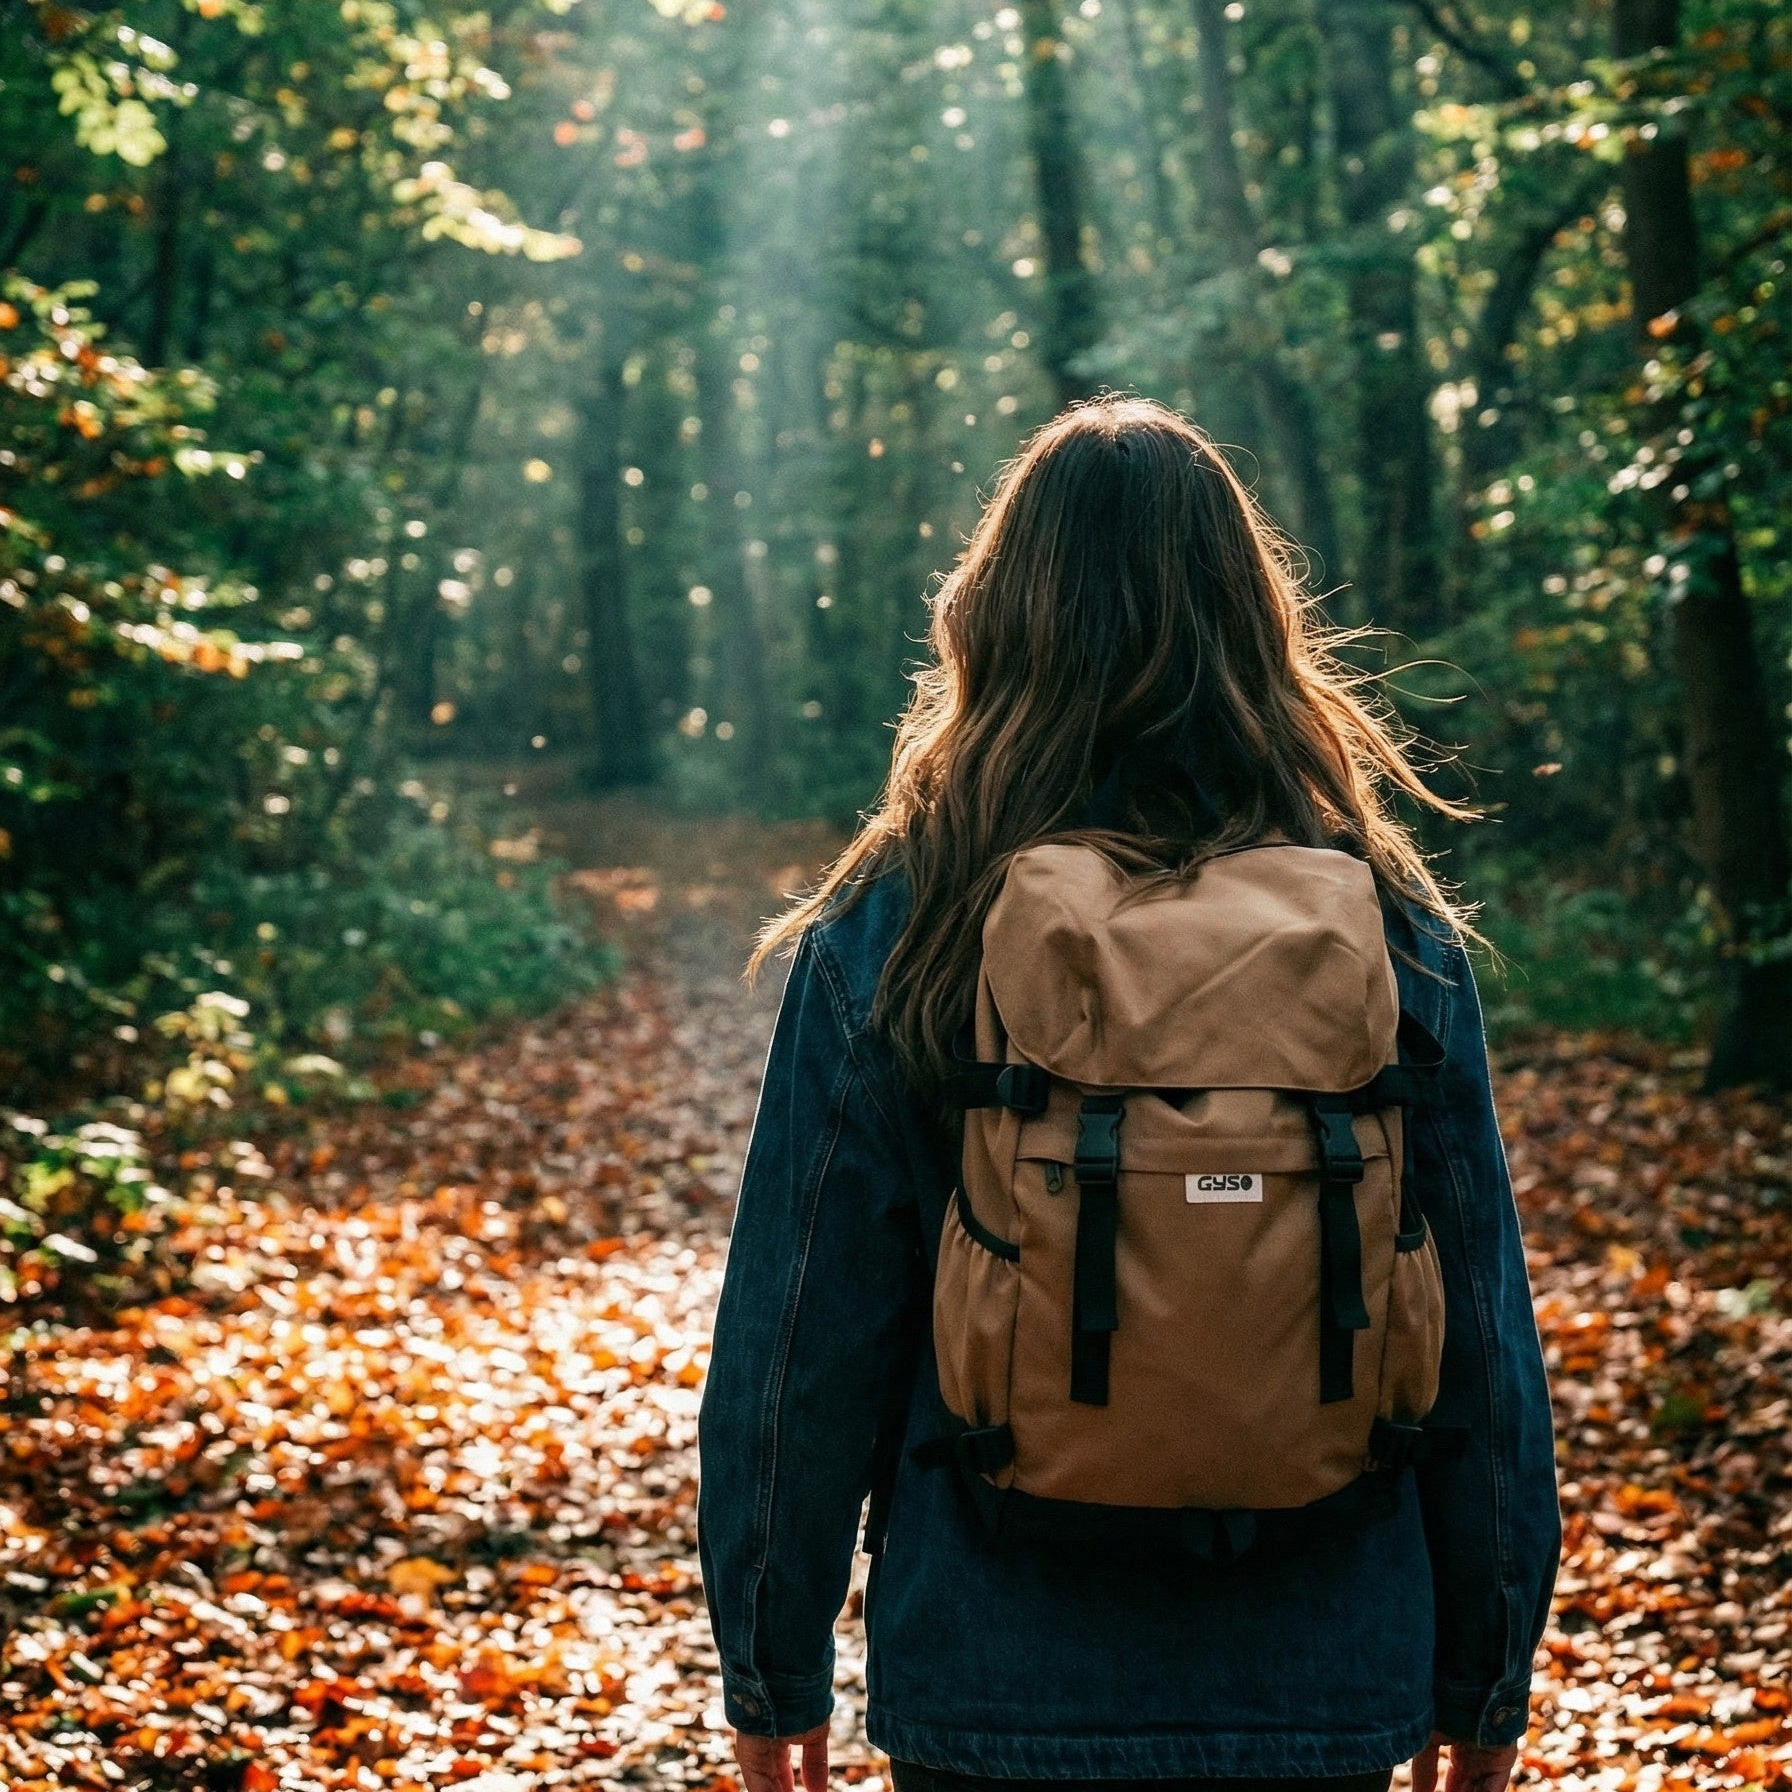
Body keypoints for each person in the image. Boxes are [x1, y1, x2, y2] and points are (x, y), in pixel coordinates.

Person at [697, 396, 1560, 1792]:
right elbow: (1480, 1340)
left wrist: (771, 1661)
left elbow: (802, 1336)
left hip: (995, 1669)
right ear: (1253, 616)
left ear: (998, 617)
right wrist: (1487, 1676)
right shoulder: (1385, 927)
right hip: (1326, 1664)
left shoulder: (908, 920)